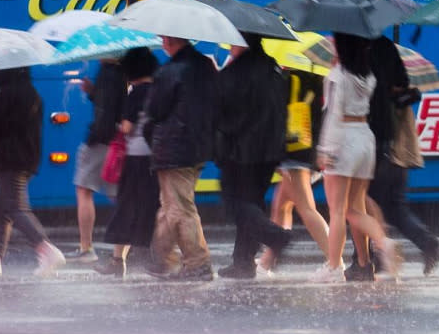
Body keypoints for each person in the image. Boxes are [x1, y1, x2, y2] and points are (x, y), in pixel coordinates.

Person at [344, 36, 439, 281]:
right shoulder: (387, 48)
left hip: (371, 141)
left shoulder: (358, 59)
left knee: (361, 203)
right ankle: (426, 242)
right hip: (393, 145)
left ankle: (366, 260)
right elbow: (401, 84)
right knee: (393, 206)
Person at [311, 32, 402, 283]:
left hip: (342, 139)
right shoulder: (367, 75)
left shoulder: (337, 76)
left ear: (342, 46)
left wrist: (324, 150)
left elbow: (333, 114)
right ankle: (366, 260)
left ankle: (334, 267)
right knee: (356, 206)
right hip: (365, 138)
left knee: (339, 211)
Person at [0, 67, 66, 278]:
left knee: (14, 207)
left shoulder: (8, 95)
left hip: (11, 158)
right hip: (25, 157)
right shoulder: (30, 93)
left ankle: (45, 248)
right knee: (1, 208)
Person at [213, 33, 293, 279]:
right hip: (269, 151)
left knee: (235, 202)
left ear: (241, 44)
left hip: (240, 150)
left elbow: (222, 112)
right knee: (253, 201)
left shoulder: (233, 74)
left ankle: (275, 236)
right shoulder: (273, 70)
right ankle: (243, 261)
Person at [144, 36, 216, 281]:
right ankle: (160, 259)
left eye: (164, 38)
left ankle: (198, 263)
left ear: (170, 40)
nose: (162, 42)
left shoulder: (170, 71)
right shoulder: (206, 65)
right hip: (197, 146)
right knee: (170, 206)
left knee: (180, 208)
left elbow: (154, 110)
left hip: (174, 148)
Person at [94, 48, 160, 278]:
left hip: (135, 160)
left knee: (126, 209)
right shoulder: (158, 90)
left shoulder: (137, 93)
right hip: (154, 159)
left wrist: (119, 122)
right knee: (151, 208)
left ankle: (118, 260)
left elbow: (128, 127)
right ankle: (148, 256)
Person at [257, 70, 330, 276]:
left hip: (292, 153)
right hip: (308, 149)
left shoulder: (287, 81)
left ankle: (335, 262)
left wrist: (276, 154)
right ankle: (266, 263)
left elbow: (278, 119)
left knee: (307, 210)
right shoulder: (316, 78)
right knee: (281, 208)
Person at [65, 59, 125, 264]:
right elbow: (113, 104)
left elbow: (107, 112)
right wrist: (93, 93)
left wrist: (96, 137)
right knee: (119, 196)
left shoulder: (109, 72)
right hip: (116, 140)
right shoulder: (122, 70)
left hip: (102, 140)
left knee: (84, 189)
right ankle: (131, 246)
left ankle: (86, 247)